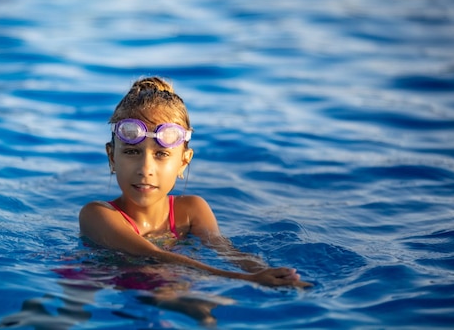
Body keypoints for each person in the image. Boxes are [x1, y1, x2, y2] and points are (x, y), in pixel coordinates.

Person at [79, 76, 311, 289]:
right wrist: (246, 280)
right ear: (112, 158)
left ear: (183, 162)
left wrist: (266, 273)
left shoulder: (192, 210)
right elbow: (148, 254)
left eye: (161, 154)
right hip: (91, 282)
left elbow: (227, 251)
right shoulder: (97, 214)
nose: (145, 169)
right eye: (131, 152)